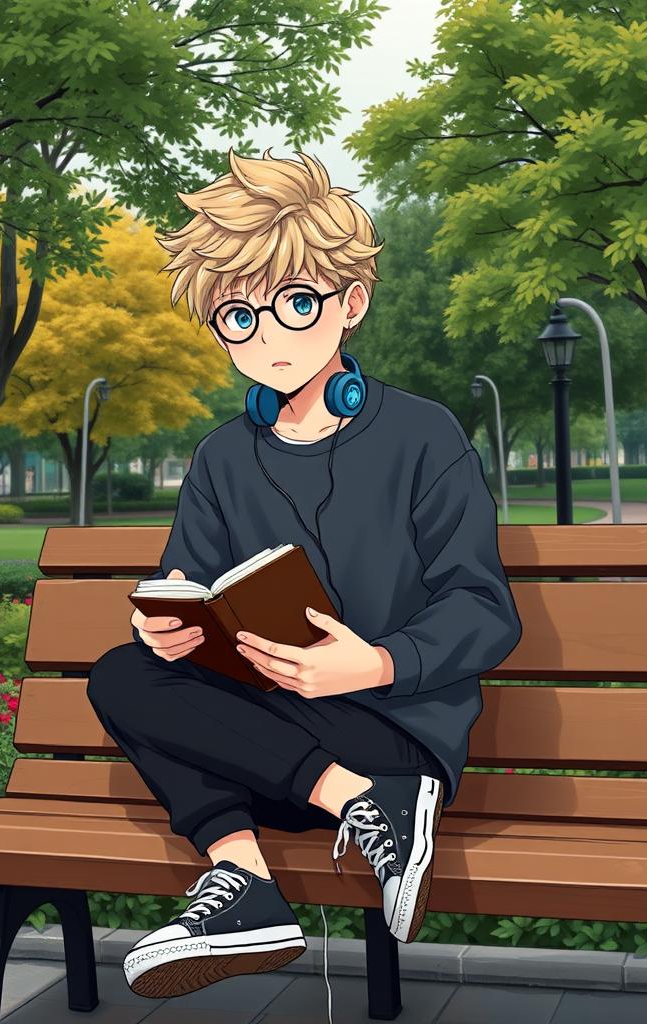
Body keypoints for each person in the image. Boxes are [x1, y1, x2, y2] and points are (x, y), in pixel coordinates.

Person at [86, 148, 523, 1020]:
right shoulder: (221, 457)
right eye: (237, 317)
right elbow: (191, 584)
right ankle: (263, 868)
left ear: (349, 302)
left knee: (161, 698)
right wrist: (169, 627)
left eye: (293, 304)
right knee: (121, 670)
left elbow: (486, 611)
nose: (269, 338)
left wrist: (375, 665)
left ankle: (368, 806)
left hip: (396, 736)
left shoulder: (422, 436)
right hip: (276, 748)